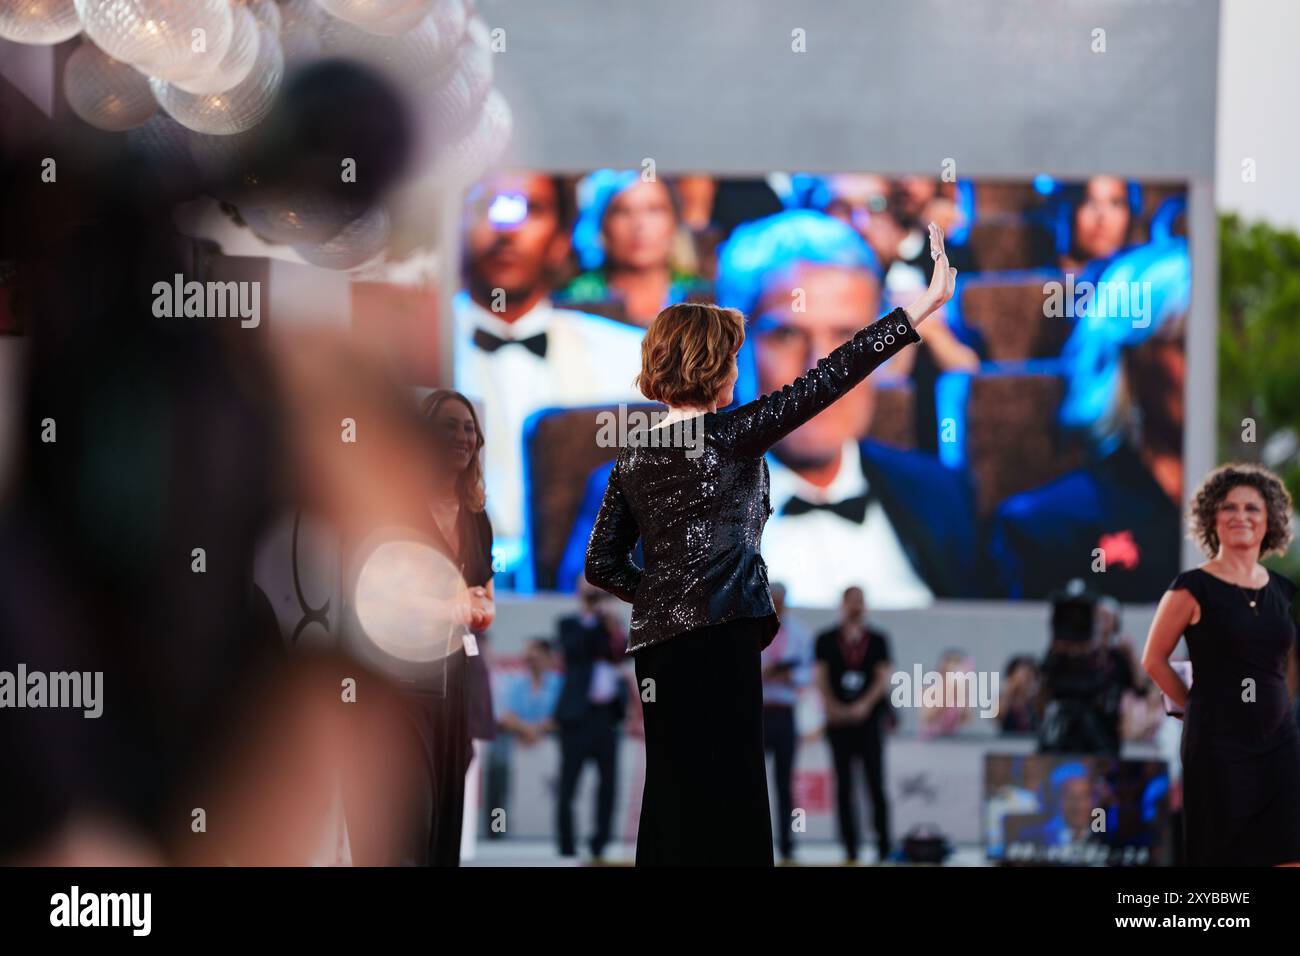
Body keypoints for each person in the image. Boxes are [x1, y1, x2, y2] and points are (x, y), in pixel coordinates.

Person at [584, 224, 954, 865]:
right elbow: (832, 377)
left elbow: (601, 564)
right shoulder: (735, 434)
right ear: (718, 367)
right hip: (723, 639)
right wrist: (918, 308)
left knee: (669, 786)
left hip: (659, 648)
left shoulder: (634, 455)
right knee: (734, 790)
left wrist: (665, 597)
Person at [454, 172, 645, 560]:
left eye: (532, 209)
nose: (507, 230)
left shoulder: (631, 357)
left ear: (560, 240)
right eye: (485, 206)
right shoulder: (403, 355)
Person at [1142, 463, 1300, 867]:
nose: (1240, 516)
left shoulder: (1284, 590)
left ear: (1270, 522)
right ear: (1213, 517)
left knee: (1288, 853)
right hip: (1216, 745)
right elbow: (1153, 659)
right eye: (1229, 507)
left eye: (1252, 509)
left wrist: (1283, 707)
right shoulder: (1190, 587)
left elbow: (1289, 661)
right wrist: (1193, 705)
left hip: (1280, 744)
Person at [393, 389, 497, 866]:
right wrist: (450, 605)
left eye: (469, 428)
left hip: (456, 681)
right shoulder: (394, 510)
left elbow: (485, 604)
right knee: (411, 820)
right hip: (400, 683)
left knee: (446, 830)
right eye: (449, 426)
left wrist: (470, 607)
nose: (461, 437)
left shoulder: (478, 518)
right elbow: (378, 595)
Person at [557, 169, 711, 326]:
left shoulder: (705, 300)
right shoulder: (575, 300)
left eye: (654, 209)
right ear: (603, 225)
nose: (639, 225)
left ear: (674, 223)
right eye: (623, 211)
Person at [814, 587, 895, 863]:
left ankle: (884, 845)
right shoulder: (826, 639)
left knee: (875, 784)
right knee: (844, 786)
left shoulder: (878, 640)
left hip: (868, 722)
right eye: (852, 601)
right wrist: (834, 707)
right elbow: (820, 676)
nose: (856, 606)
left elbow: (882, 677)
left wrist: (865, 705)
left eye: (860, 601)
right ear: (843, 604)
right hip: (838, 723)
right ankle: (850, 848)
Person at [553, 576, 629, 861]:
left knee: (608, 784)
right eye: (590, 593)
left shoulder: (611, 626)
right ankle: (567, 846)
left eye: (599, 594)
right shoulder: (569, 624)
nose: (596, 598)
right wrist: (591, 616)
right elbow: (575, 650)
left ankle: (600, 844)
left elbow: (623, 653)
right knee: (569, 784)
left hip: (607, 717)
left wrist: (609, 624)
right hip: (577, 717)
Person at [483, 638, 561, 840]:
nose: (531, 662)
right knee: (498, 765)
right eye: (528, 658)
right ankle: (497, 831)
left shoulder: (559, 683)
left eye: (535, 658)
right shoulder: (516, 682)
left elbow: (563, 715)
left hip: (551, 743)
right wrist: (527, 730)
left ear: (547, 658)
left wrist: (539, 729)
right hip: (519, 743)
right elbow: (507, 715)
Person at [760, 582, 814, 863]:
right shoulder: (754, 628)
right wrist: (766, 674)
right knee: (753, 782)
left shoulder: (800, 634)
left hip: (784, 712)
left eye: (780, 600)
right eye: (773, 598)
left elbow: (808, 673)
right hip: (759, 712)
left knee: (784, 782)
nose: (777, 604)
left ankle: (788, 843)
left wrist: (788, 677)